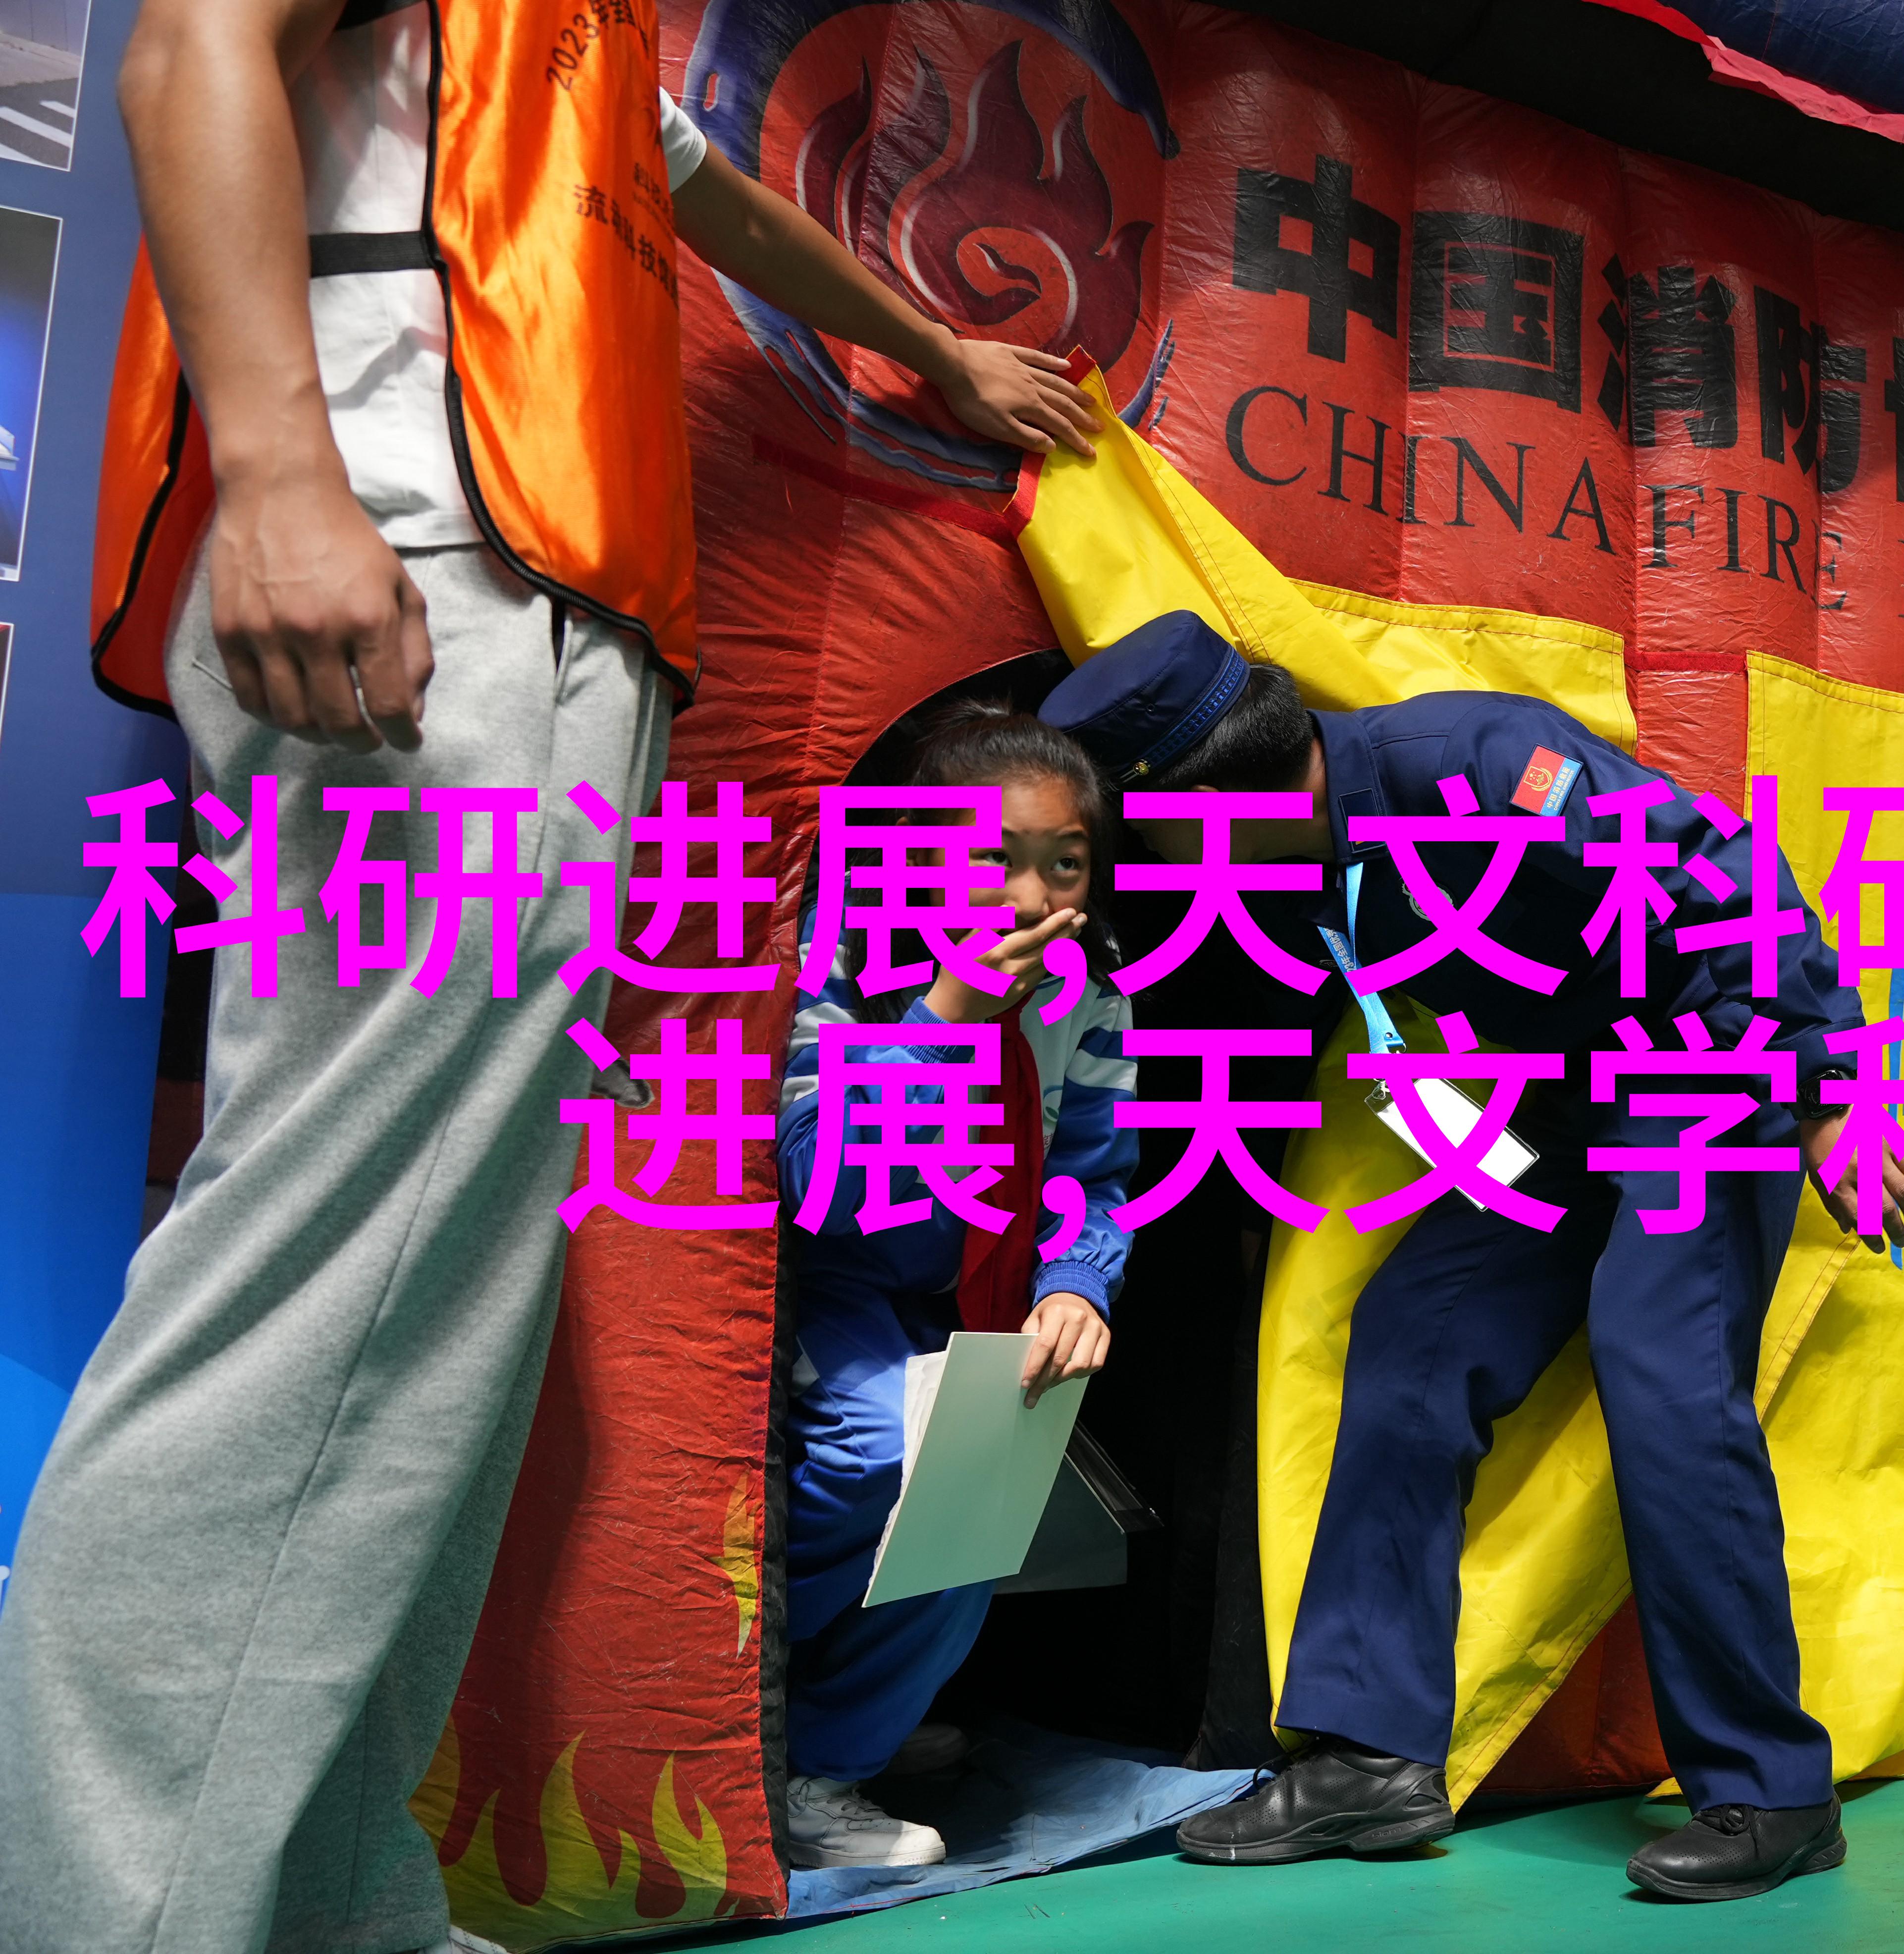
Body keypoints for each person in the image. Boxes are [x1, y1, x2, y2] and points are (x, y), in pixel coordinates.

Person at [0, 0, 1096, 1944]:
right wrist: (281, 475)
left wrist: (936, 353)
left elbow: (709, 194)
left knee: (443, 1314)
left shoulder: (569, 34)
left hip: (549, 609)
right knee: (326, 1267)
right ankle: (105, 1911)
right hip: (421, 561)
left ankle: (332, 1904)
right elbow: (191, 49)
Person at [1042, 613, 1904, 1902]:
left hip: (1709, 1066)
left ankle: (1771, 1789)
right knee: (1415, 1338)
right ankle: (1372, 1755)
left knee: (1662, 1369)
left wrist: (1836, 1088)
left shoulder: (1476, 765)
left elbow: (1724, 873)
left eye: (1147, 829)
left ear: (1206, 804)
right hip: (1566, 1106)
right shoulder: (1289, 852)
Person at [774, 703, 1135, 1869]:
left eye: (1064, 862)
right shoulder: (836, 950)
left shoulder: (1091, 988)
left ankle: (831, 1751)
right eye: (993, 857)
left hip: (973, 1287)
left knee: (979, 1483)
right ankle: (767, 1714)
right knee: (875, 1456)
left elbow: (1093, 1169)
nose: (1030, 897)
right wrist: (949, 1019)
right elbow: (812, 1172)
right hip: (835, 1275)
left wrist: (1077, 1283)